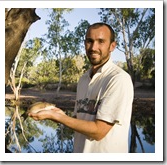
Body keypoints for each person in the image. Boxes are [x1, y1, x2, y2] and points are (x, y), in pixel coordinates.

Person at [29, 22, 134, 153]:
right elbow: (81, 122)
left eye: (101, 41)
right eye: (90, 41)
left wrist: (57, 117)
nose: (94, 47)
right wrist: (60, 115)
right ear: (85, 43)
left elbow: (98, 131)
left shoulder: (118, 79)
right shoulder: (84, 79)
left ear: (112, 46)